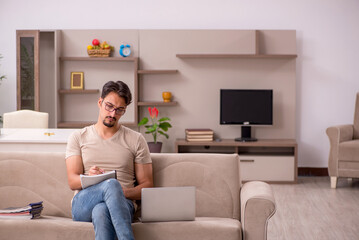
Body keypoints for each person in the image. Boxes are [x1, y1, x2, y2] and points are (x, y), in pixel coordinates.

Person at [65, 80, 153, 240]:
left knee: (101, 211)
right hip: (83, 202)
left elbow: (147, 185)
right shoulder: (78, 137)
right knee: (111, 184)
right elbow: (72, 181)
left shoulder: (136, 139)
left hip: (123, 203)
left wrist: (119, 193)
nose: (113, 114)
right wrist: (91, 179)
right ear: (100, 102)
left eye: (119, 110)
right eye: (109, 106)